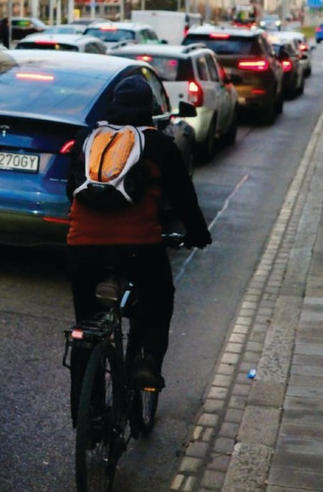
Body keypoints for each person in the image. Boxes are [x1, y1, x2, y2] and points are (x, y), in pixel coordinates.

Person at [64, 76, 212, 425]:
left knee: (86, 326)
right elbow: (184, 199)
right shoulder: (159, 144)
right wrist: (197, 234)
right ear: (149, 109)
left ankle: (89, 415)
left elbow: (71, 190)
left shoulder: (86, 139)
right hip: (139, 247)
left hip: (82, 247)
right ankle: (145, 361)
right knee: (158, 299)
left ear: (113, 105)